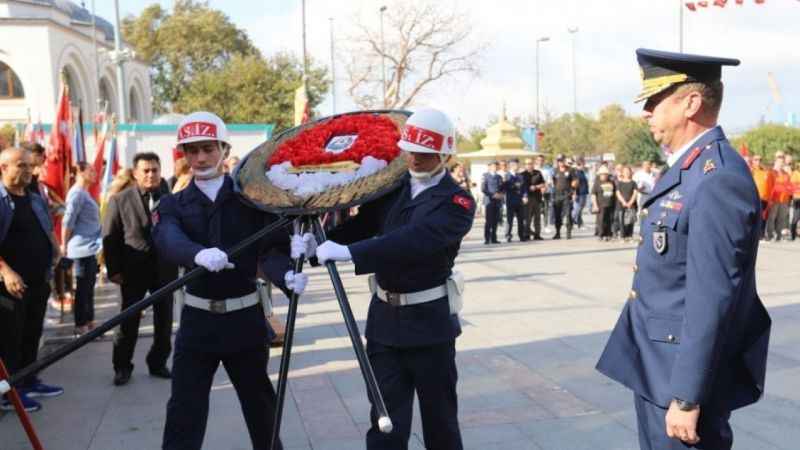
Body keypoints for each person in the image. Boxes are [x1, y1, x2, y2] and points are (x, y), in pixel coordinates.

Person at [597, 49, 771, 450]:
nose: (646, 112)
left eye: (655, 101)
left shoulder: (717, 178)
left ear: (691, 103)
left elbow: (712, 297)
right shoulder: (689, 167)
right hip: (658, 366)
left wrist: (687, 396)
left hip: (681, 378)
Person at [306, 108, 473, 450]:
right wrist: (319, 243)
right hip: (385, 324)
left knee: (440, 423)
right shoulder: (392, 188)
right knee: (385, 425)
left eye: (424, 154)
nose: (413, 158)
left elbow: (414, 240)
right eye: (409, 149)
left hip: (429, 326)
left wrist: (351, 253)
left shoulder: (458, 202)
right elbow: (362, 225)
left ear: (444, 155)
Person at [153, 111, 307, 450]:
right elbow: (166, 237)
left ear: (224, 148)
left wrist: (287, 275)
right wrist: (197, 254)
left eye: (208, 148)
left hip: (244, 319)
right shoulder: (173, 203)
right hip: (198, 321)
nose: (200, 157)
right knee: (184, 410)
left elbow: (271, 251)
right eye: (192, 151)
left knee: (261, 407)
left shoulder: (250, 199)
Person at [103, 152, 179, 386]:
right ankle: (122, 366)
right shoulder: (120, 200)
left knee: (165, 321)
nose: (151, 175)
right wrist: (113, 270)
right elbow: (110, 237)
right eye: (145, 170)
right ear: (135, 173)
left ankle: (158, 362)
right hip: (133, 272)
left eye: (155, 170)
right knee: (129, 321)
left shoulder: (171, 199)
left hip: (165, 270)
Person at [0, 147, 64, 413]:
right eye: (20, 166)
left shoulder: (33, 196)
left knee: (31, 333)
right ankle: (8, 393)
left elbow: (45, 226)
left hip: (39, 279)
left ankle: (27, 380)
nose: (28, 171)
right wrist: (5, 270)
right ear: (3, 168)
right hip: (9, 286)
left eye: (29, 166)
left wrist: (54, 246)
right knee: (9, 340)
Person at [62, 162, 102, 335]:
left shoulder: (84, 193)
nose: (94, 173)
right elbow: (68, 221)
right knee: (83, 289)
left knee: (89, 288)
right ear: (79, 172)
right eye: (91, 170)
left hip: (90, 248)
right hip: (80, 248)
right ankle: (81, 324)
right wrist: (64, 246)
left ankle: (90, 321)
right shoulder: (77, 193)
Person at [551, 154, 578, 239]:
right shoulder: (555, 170)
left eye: (562, 160)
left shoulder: (571, 170)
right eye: (559, 161)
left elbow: (576, 181)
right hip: (557, 194)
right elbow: (554, 182)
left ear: (564, 160)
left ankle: (568, 232)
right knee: (557, 214)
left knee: (568, 213)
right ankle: (557, 232)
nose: (560, 162)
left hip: (567, 194)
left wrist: (573, 190)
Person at [766, 155, 791, 242]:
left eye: (782, 162)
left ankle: (779, 235)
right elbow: (769, 186)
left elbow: (789, 186)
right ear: (776, 162)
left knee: (782, 218)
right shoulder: (771, 173)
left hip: (784, 199)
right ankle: (770, 235)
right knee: (772, 217)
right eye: (779, 162)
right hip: (774, 199)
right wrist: (769, 199)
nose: (781, 164)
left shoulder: (786, 174)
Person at [750, 154, 773, 240]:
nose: (758, 162)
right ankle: (753, 234)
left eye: (760, 160)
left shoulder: (765, 172)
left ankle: (761, 235)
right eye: (756, 160)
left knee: (763, 217)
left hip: (764, 198)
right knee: (754, 217)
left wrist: (770, 198)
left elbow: (770, 185)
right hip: (754, 198)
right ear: (752, 161)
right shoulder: (750, 171)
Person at [503, 159, 527, 242]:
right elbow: (505, 187)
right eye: (516, 165)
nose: (517, 166)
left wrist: (525, 196)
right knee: (510, 219)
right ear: (512, 165)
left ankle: (521, 235)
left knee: (521, 219)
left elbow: (524, 188)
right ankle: (508, 235)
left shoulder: (520, 176)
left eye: (518, 164)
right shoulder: (507, 175)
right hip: (511, 200)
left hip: (520, 200)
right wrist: (514, 185)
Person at [521, 158, 545, 240]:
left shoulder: (538, 173)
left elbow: (543, 184)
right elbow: (520, 187)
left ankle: (537, 234)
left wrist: (536, 187)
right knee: (527, 217)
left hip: (537, 198)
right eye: (527, 164)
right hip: (527, 198)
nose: (529, 165)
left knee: (537, 217)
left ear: (533, 164)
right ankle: (526, 234)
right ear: (525, 165)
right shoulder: (522, 175)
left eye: (530, 163)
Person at [591, 166, 616, 241]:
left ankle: (608, 234)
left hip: (611, 204)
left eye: (605, 174)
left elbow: (615, 192)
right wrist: (595, 205)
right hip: (601, 204)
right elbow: (593, 194)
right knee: (601, 221)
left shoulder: (611, 182)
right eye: (602, 174)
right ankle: (601, 234)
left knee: (609, 220)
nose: (604, 175)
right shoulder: (597, 183)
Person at [481, 161, 503, 244]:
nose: (495, 167)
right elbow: (483, 188)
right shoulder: (485, 176)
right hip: (489, 200)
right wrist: (493, 195)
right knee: (489, 220)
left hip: (497, 201)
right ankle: (487, 238)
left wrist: (501, 194)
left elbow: (502, 187)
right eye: (493, 166)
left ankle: (494, 238)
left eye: (496, 166)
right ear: (489, 167)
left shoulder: (499, 177)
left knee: (495, 220)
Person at [616, 165, 638, 241]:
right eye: (625, 172)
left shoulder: (633, 183)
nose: (627, 173)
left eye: (628, 172)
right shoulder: (620, 183)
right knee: (621, 221)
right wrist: (624, 202)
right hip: (621, 205)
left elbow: (635, 193)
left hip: (631, 205)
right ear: (622, 173)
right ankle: (622, 236)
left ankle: (630, 235)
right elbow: (618, 193)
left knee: (631, 221)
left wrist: (630, 202)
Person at [572, 159, 589, 229]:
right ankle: (571, 221)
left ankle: (579, 223)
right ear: (579, 165)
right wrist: (574, 193)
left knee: (580, 209)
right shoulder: (576, 173)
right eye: (582, 165)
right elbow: (575, 184)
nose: (583, 166)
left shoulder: (582, 172)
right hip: (579, 193)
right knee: (577, 209)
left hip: (584, 192)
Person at [791, 161, 800, 241]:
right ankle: (793, 235)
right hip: (797, 198)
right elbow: (792, 185)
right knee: (796, 218)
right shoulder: (795, 174)